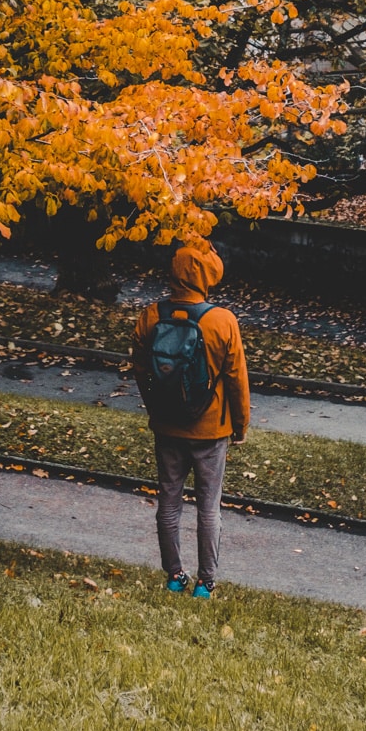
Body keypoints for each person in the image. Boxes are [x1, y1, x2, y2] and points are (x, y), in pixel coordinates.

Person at [131, 245, 249, 598]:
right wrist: (240, 426)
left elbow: (140, 370)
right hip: (211, 430)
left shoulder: (150, 316)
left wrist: (155, 407)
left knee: (169, 501)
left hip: (167, 425)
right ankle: (205, 583)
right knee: (208, 506)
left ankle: (173, 576)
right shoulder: (222, 320)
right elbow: (236, 381)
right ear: (206, 276)